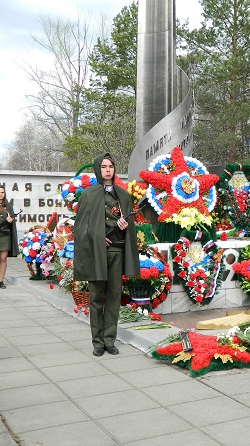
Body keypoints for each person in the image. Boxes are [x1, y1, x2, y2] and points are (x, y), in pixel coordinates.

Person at [73, 153, 140, 357]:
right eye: (104, 166)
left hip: (117, 251)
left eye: (110, 166)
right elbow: (80, 228)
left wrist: (124, 225)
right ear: (98, 169)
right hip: (97, 253)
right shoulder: (88, 194)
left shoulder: (123, 195)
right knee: (96, 298)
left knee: (113, 297)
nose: (108, 169)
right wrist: (98, 237)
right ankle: (97, 342)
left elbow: (129, 228)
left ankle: (110, 339)